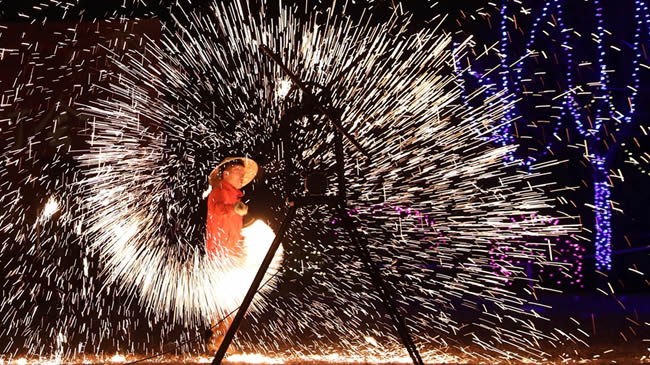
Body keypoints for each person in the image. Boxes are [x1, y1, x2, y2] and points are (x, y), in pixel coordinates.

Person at [204, 156, 258, 351]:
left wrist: (241, 246)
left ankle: (220, 340)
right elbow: (218, 210)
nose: (241, 175)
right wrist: (233, 208)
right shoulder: (218, 192)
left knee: (229, 301)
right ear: (225, 174)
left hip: (231, 252)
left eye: (243, 173)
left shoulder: (235, 197)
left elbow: (235, 228)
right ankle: (219, 341)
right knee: (228, 301)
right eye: (237, 171)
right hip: (220, 254)